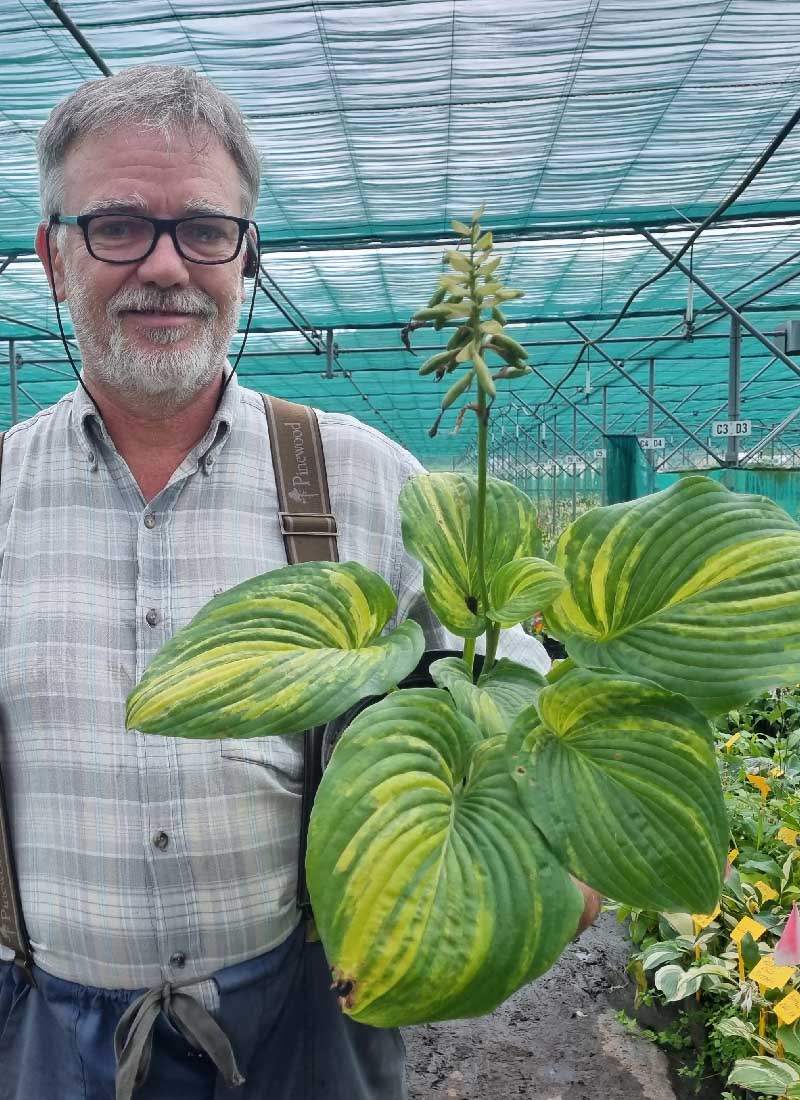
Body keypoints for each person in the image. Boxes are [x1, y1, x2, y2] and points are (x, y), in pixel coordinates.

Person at [0, 65, 599, 1100]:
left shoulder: (369, 479)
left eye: (203, 229)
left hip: (308, 1020)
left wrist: (559, 841)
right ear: (54, 258)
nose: (165, 265)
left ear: (248, 259)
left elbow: (510, 694)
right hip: (47, 1037)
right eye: (116, 227)